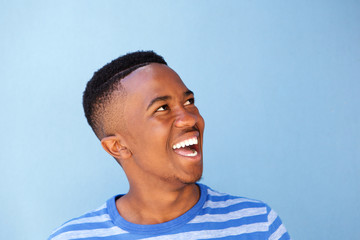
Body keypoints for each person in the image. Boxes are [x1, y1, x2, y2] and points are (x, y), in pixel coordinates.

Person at [49, 51, 290, 240]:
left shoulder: (258, 224)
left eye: (189, 101)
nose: (190, 118)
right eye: (162, 108)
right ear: (117, 146)